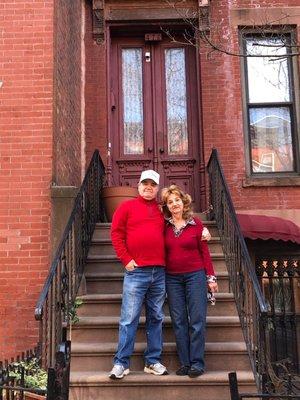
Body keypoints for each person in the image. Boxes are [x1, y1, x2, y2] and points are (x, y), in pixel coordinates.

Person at [109, 170, 168, 379]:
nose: (148, 187)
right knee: (129, 318)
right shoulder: (126, 207)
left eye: (153, 184)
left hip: (159, 272)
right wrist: (126, 260)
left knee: (156, 318)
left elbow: (182, 221)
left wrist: (202, 231)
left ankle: (152, 361)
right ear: (139, 185)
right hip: (136, 272)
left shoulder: (163, 211)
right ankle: (121, 363)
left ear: (157, 188)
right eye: (145, 183)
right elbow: (116, 234)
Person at [161, 184, 218, 378]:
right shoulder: (164, 227)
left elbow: (205, 252)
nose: (174, 204)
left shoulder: (197, 225)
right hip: (172, 278)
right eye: (170, 202)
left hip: (195, 276)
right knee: (178, 321)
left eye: (177, 200)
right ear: (167, 206)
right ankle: (185, 363)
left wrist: (210, 278)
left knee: (197, 320)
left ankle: (197, 363)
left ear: (183, 202)